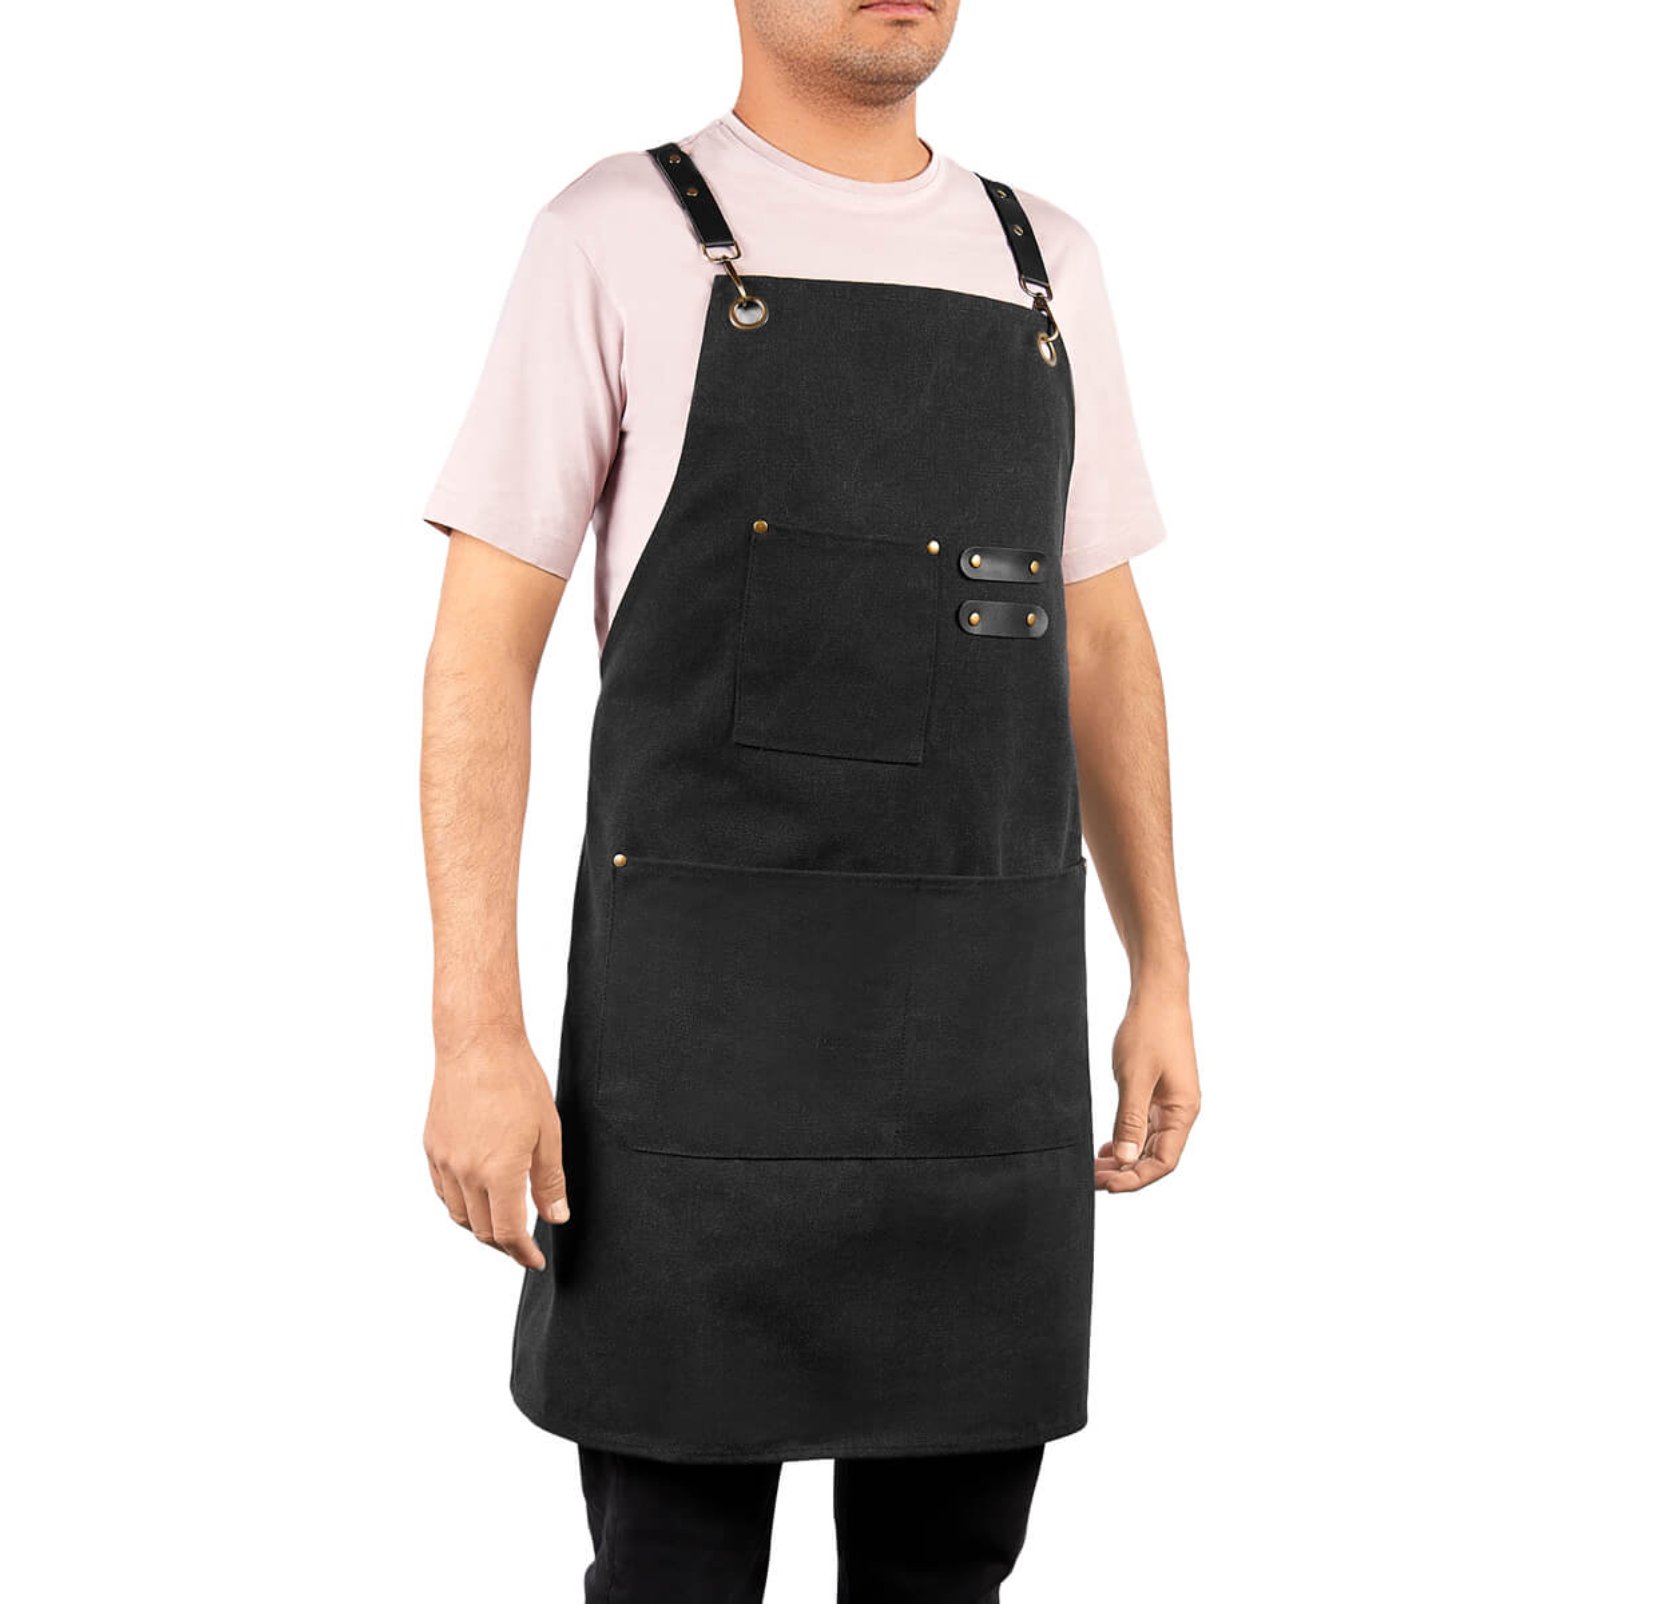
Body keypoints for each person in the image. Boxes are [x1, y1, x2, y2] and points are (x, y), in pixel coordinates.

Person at [418, 1, 1200, 1596]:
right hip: (694, 1050)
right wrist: (475, 1034)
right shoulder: (614, 232)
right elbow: (479, 658)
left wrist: (1162, 971)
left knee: (950, 1567)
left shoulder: (1043, 261)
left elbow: (1102, 639)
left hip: (983, 1040)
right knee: (673, 1564)